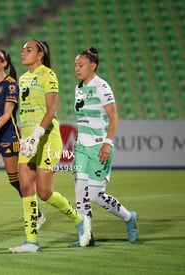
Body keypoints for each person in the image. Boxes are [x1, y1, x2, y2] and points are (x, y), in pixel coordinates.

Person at [9, 39, 91, 253]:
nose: (23, 53)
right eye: (22, 50)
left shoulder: (48, 75)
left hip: (47, 139)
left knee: (44, 192)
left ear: (40, 55)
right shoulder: (23, 78)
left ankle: (79, 220)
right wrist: (26, 137)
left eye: (28, 50)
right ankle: (31, 242)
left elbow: (51, 109)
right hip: (28, 141)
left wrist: (37, 135)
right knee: (27, 188)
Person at [69, 47, 139, 247]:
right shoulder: (79, 88)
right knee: (80, 192)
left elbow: (114, 117)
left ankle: (129, 217)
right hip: (82, 147)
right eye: (75, 64)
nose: (77, 68)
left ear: (93, 66)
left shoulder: (102, 87)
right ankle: (86, 236)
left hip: (100, 147)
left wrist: (107, 144)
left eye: (80, 64)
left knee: (94, 195)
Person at [0, 49, 46, 233]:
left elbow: (7, 114)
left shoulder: (11, 85)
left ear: (4, 64)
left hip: (8, 136)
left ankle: (37, 214)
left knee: (15, 181)